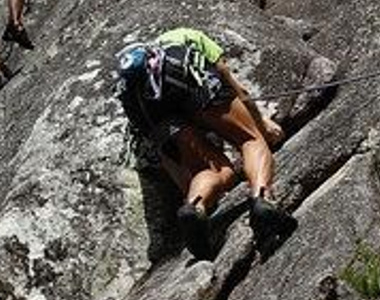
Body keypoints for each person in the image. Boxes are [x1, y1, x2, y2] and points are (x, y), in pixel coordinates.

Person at [116, 27, 293, 259]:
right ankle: (262, 200)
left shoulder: (137, 91)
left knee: (213, 170)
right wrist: (261, 123)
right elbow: (230, 80)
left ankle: (195, 205)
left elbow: (169, 158)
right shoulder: (185, 37)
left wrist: (189, 191)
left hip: (156, 113)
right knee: (250, 141)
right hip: (193, 89)